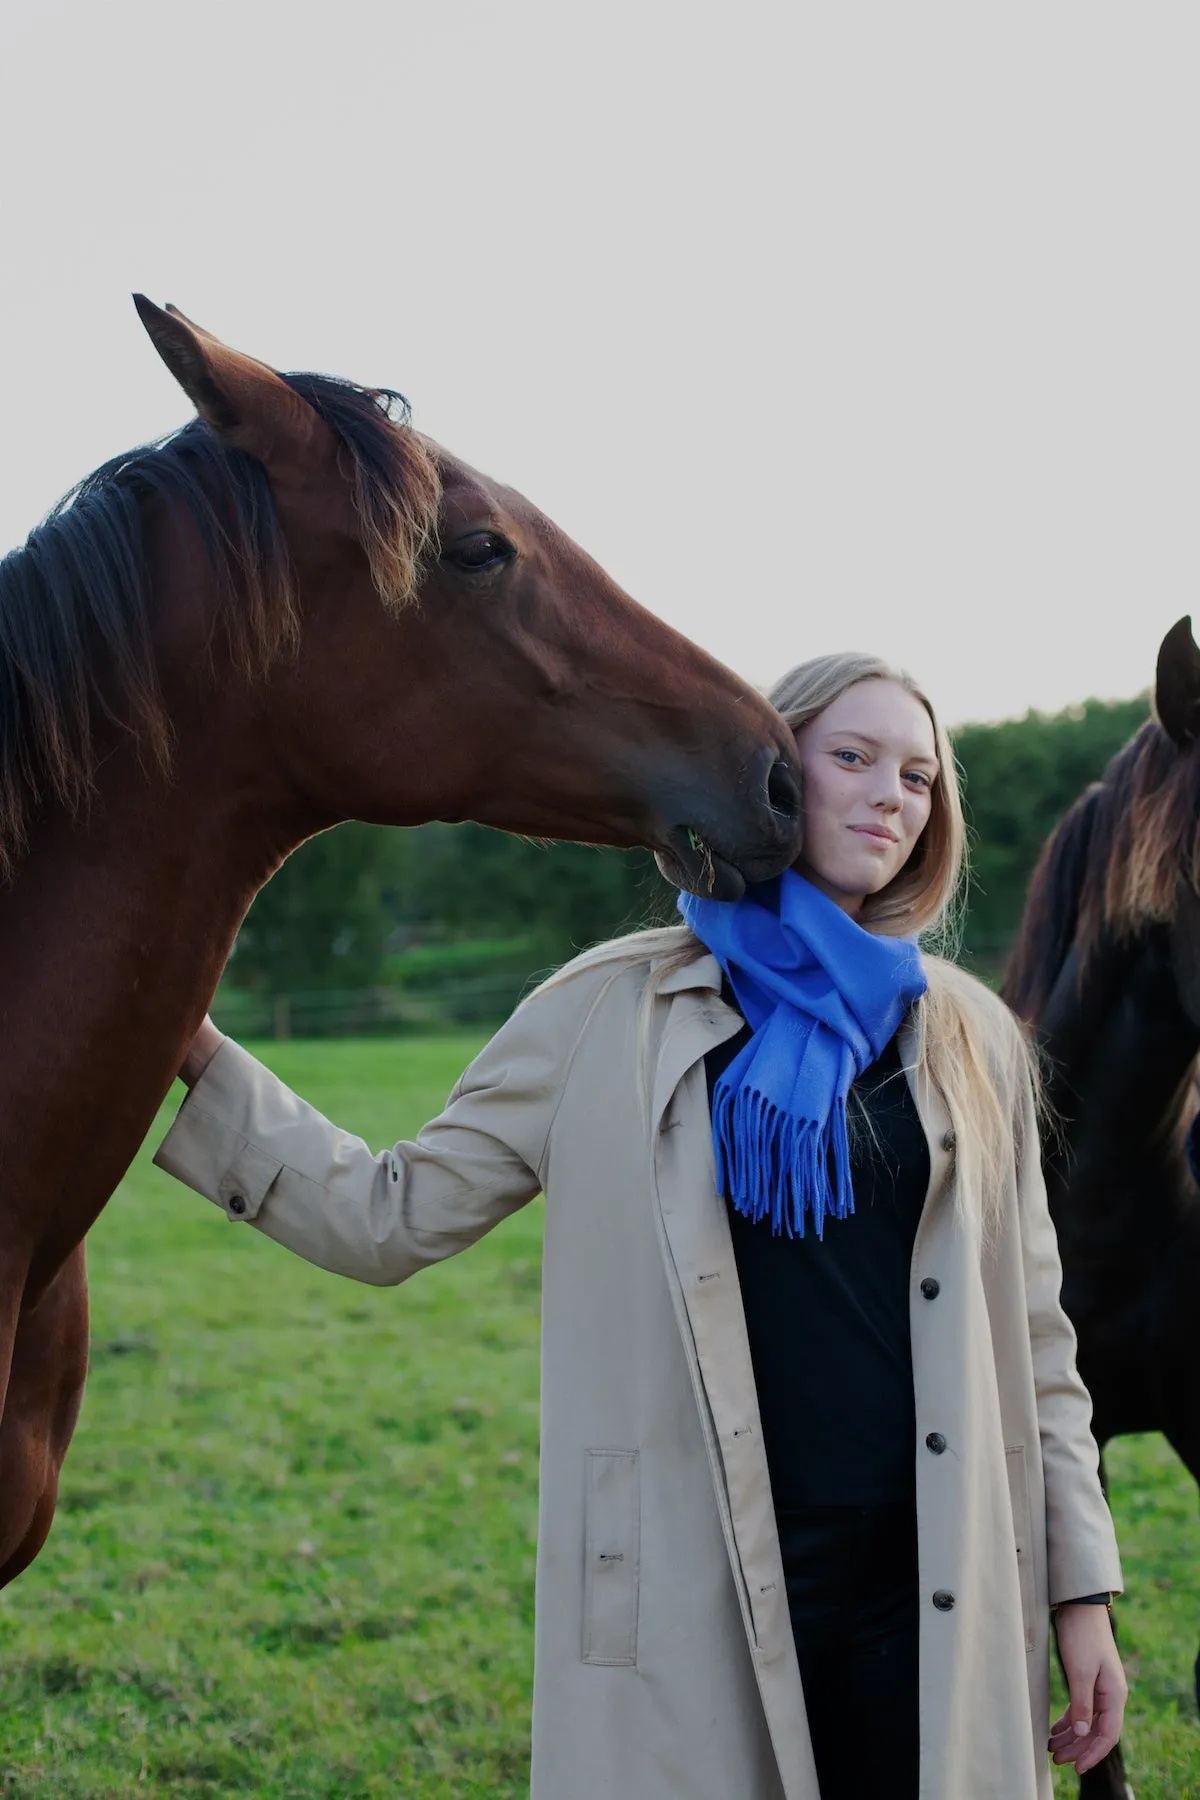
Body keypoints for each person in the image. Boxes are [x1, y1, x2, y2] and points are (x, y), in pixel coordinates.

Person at [157, 652, 1125, 1800]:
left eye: (917, 777)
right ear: (772, 771)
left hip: (934, 1576)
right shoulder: (600, 1010)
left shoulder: (971, 1036)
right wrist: (185, 1044)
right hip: (692, 1576)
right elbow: (390, 1214)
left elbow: (1033, 1332)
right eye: (852, 759)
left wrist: (1081, 1590)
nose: (889, 798)